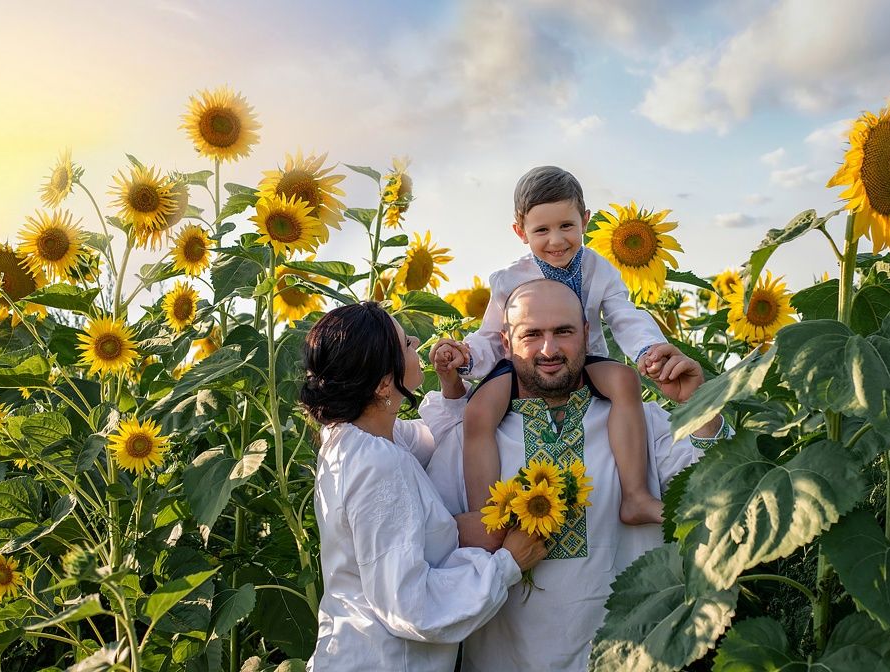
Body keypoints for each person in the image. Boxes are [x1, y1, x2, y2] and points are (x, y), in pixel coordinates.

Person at [422, 280, 729, 671]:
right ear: (505, 343)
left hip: (631, 657)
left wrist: (699, 407)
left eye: (563, 332)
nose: (549, 350)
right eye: (532, 334)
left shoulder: (641, 423)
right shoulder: (465, 442)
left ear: (586, 333)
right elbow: (427, 546)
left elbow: (715, 495)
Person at [432, 165, 693, 528]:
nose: (556, 240)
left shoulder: (600, 270)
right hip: (519, 365)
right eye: (542, 230)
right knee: (478, 414)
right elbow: (493, 334)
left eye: (566, 226)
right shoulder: (510, 279)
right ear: (520, 232)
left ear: (585, 220)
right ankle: (486, 514)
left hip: (584, 358)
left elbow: (623, 315)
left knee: (624, 383)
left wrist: (648, 350)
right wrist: (468, 355)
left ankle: (635, 495)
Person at [300, 302, 548, 672]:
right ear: (385, 383)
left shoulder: (354, 437)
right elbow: (412, 607)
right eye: (405, 344)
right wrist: (505, 564)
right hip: (383, 661)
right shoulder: (378, 464)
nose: (416, 342)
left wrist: (452, 386)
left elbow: (434, 437)